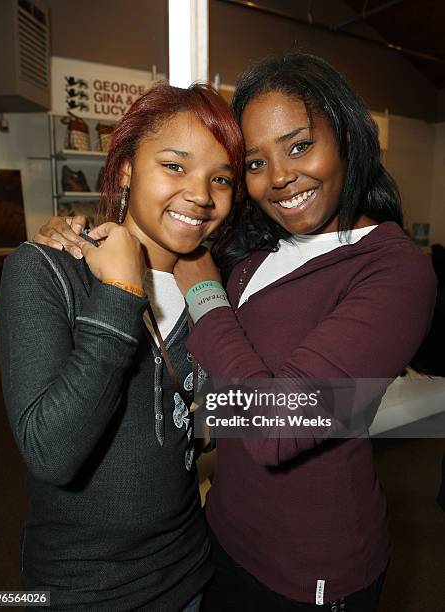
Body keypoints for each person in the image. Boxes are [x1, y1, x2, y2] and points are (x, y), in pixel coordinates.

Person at [35, 54, 437, 611]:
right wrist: (75, 232)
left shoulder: (394, 269)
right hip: (217, 537)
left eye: (299, 146)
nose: (278, 178)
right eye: (253, 162)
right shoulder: (252, 251)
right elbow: (218, 386)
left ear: (345, 135)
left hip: (308, 570)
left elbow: (278, 427)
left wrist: (205, 292)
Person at [0, 82, 244, 611]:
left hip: (188, 576)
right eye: (175, 166)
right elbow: (51, 454)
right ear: (128, 167)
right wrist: (119, 295)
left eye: (219, 178)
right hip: (74, 593)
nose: (201, 195)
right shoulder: (45, 270)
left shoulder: (212, 289)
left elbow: (204, 423)